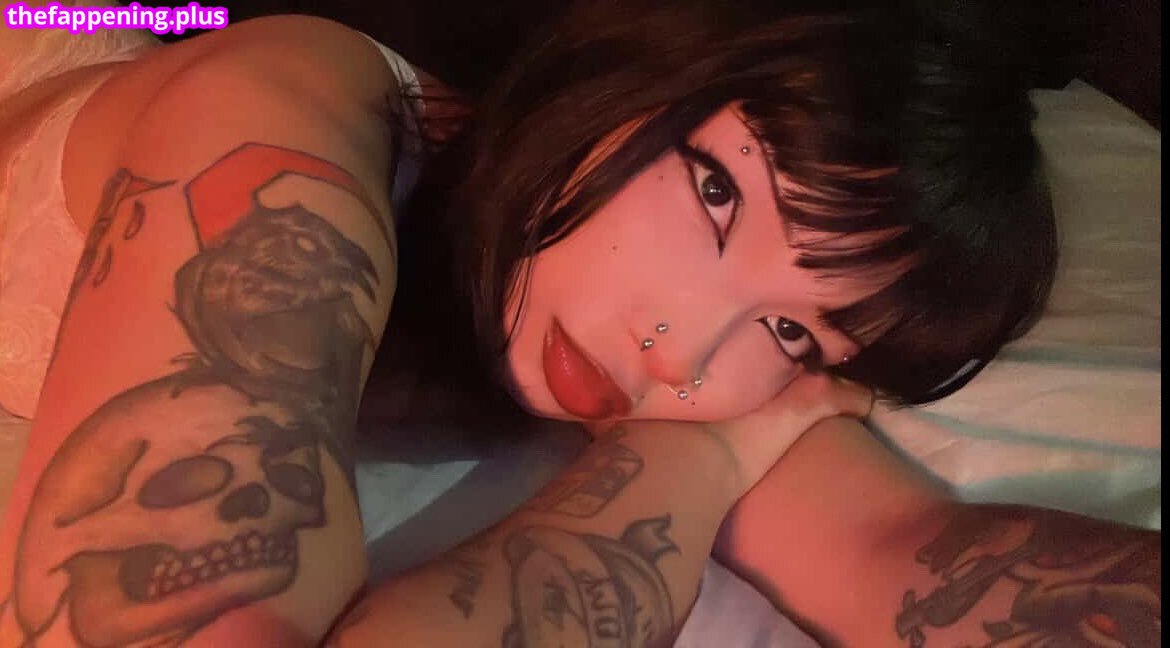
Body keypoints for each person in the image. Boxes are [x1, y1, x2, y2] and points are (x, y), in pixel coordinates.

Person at [0, 2, 1158, 647]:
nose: (679, 353)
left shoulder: (672, 359)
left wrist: (706, 453)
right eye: (717, 195)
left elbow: (903, 557)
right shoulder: (277, 123)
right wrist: (697, 461)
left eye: (793, 333)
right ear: (635, 76)